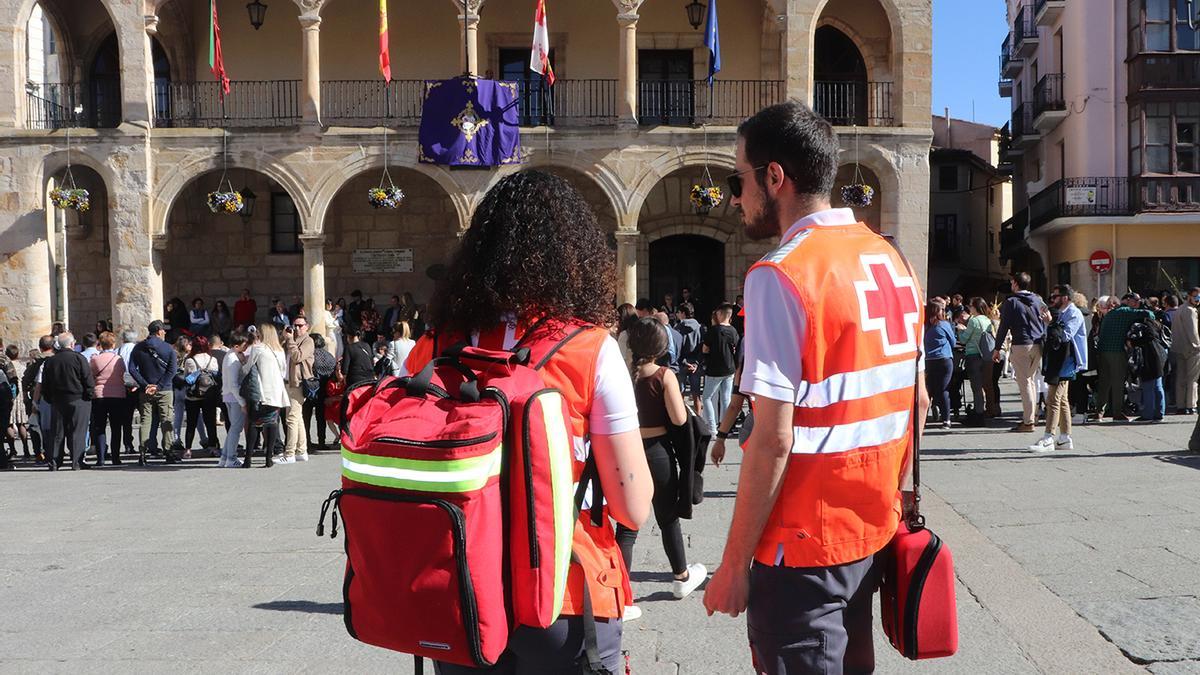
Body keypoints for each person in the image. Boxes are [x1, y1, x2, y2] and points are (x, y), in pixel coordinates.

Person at [702, 101, 928, 674]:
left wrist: (732, 565)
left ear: (775, 177)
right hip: (871, 526)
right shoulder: (892, 260)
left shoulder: (781, 275)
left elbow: (774, 440)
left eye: (739, 179)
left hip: (801, 541)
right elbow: (915, 402)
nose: (735, 196)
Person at [404, 169, 652, 674]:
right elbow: (633, 506)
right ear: (574, 255)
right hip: (560, 591)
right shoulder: (590, 349)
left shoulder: (431, 349)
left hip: (461, 590)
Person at [615, 317, 707, 617]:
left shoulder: (623, 374)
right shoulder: (663, 375)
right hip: (658, 451)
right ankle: (681, 577)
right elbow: (680, 419)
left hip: (628, 450)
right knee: (667, 518)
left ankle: (620, 593)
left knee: (627, 525)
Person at [1029, 285, 1088, 452]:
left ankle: (1049, 437)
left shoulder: (1073, 314)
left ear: (1065, 298)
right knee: (1062, 401)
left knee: (1053, 400)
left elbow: (1064, 336)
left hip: (1066, 361)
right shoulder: (1062, 313)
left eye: (1055, 296)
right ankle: (1065, 438)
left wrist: (1050, 322)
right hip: (1058, 360)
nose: (1052, 299)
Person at [39, 332, 95, 470]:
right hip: (78, 399)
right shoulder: (78, 358)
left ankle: (54, 461)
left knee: (57, 432)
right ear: (72, 344)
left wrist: (49, 398)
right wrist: (88, 395)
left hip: (57, 400)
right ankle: (76, 461)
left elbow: (45, 384)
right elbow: (87, 379)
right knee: (78, 431)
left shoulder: (50, 361)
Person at [129, 321, 180, 464]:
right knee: (166, 420)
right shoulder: (168, 348)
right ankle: (168, 452)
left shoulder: (138, 348)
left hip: (145, 390)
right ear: (158, 331)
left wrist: (145, 384)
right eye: (163, 330)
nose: (165, 332)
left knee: (145, 421)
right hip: (164, 389)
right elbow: (172, 370)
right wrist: (159, 386)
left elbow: (132, 369)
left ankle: (143, 453)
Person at [1097, 294, 1150, 422]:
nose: (1136, 303)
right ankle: (1117, 412)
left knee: (1104, 382)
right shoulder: (1125, 311)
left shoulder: (1108, 315)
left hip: (1103, 351)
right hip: (1116, 351)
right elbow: (1148, 314)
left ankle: (1099, 411)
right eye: (1135, 301)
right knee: (1118, 383)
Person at [242, 325, 288, 468]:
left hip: (260, 392)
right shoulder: (280, 350)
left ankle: (248, 458)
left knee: (255, 424)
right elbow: (283, 372)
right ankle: (269, 457)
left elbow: (247, 368)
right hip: (275, 393)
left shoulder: (258, 349)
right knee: (272, 423)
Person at [279, 315, 315, 464]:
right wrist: (284, 337)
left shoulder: (308, 341)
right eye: (295, 325)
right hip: (288, 382)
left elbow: (297, 357)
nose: (297, 328)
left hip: (298, 383)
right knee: (298, 418)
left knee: (291, 418)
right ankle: (301, 450)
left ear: (307, 326)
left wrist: (290, 340)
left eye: (300, 325)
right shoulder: (291, 339)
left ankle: (289, 453)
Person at [88, 332, 128, 465]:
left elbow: (91, 374)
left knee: (100, 427)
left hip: (99, 395)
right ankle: (116, 457)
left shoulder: (95, 359)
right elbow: (123, 373)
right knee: (116, 427)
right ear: (113, 344)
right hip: (117, 395)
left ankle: (101, 458)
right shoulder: (118, 359)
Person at [701, 304, 739, 436]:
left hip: (714, 369)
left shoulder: (713, 331)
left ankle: (712, 427)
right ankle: (725, 427)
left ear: (721, 314)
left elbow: (705, 349)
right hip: (729, 369)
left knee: (707, 398)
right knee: (726, 398)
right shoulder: (734, 331)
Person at [182, 336, 221, 457]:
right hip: (209, 395)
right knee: (210, 422)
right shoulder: (212, 359)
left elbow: (186, 378)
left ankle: (188, 449)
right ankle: (213, 447)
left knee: (191, 423)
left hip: (193, 397)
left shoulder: (189, 360)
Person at [959, 297, 994, 424]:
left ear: (975, 307)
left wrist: (960, 330)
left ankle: (978, 414)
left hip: (973, 355)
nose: (970, 308)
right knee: (983, 385)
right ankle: (981, 411)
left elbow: (964, 339)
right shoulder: (987, 320)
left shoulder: (974, 321)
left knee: (976, 387)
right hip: (984, 355)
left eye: (971, 306)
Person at [924, 299, 956, 429]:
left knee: (929, 390)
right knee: (944, 389)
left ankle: (923, 418)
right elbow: (953, 341)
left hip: (929, 360)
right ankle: (946, 420)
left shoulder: (924, 326)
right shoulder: (944, 325)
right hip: (944, 358)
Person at [219, 331, 249, 468]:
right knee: (236, 429)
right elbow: (233, 384)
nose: (246, 347)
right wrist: (242, 402)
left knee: (233, 428)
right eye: (244, 345)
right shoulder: (232, 359)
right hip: (234, 397)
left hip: (229, 396)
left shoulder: (230, 356)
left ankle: (225, 457)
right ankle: (231, 458)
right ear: (236, 346)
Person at [304, 333, 337, 452]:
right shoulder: (329, 356)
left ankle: (306, 441)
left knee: (306, 417)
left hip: (310, 389)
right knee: (321, 418)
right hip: (324, 390)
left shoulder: (309, 356)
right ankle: (322, 441)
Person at [1171, 288, 1200, 415]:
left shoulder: (1180, 309)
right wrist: (1198, 345)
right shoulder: (1190, 310)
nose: (1198, 300)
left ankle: (1181, 405)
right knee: (1192, 378)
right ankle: (1191, 405)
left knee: (1181, 378)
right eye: (1196, 298)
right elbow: (1193, 331)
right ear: (1189, 297)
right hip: (1191, 349)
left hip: (1178, 348)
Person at [675, 302, 705, 414]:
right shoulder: (700, 327)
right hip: (695, 363)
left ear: (683, 313)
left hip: (682, 363)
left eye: (678, 312)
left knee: (680, 393)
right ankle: (698, 418)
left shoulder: (678, 328)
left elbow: (677, 346)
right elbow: (702, 347)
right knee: (696, 394)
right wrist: (697, 363)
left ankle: (681, 419)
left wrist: (683, 361)